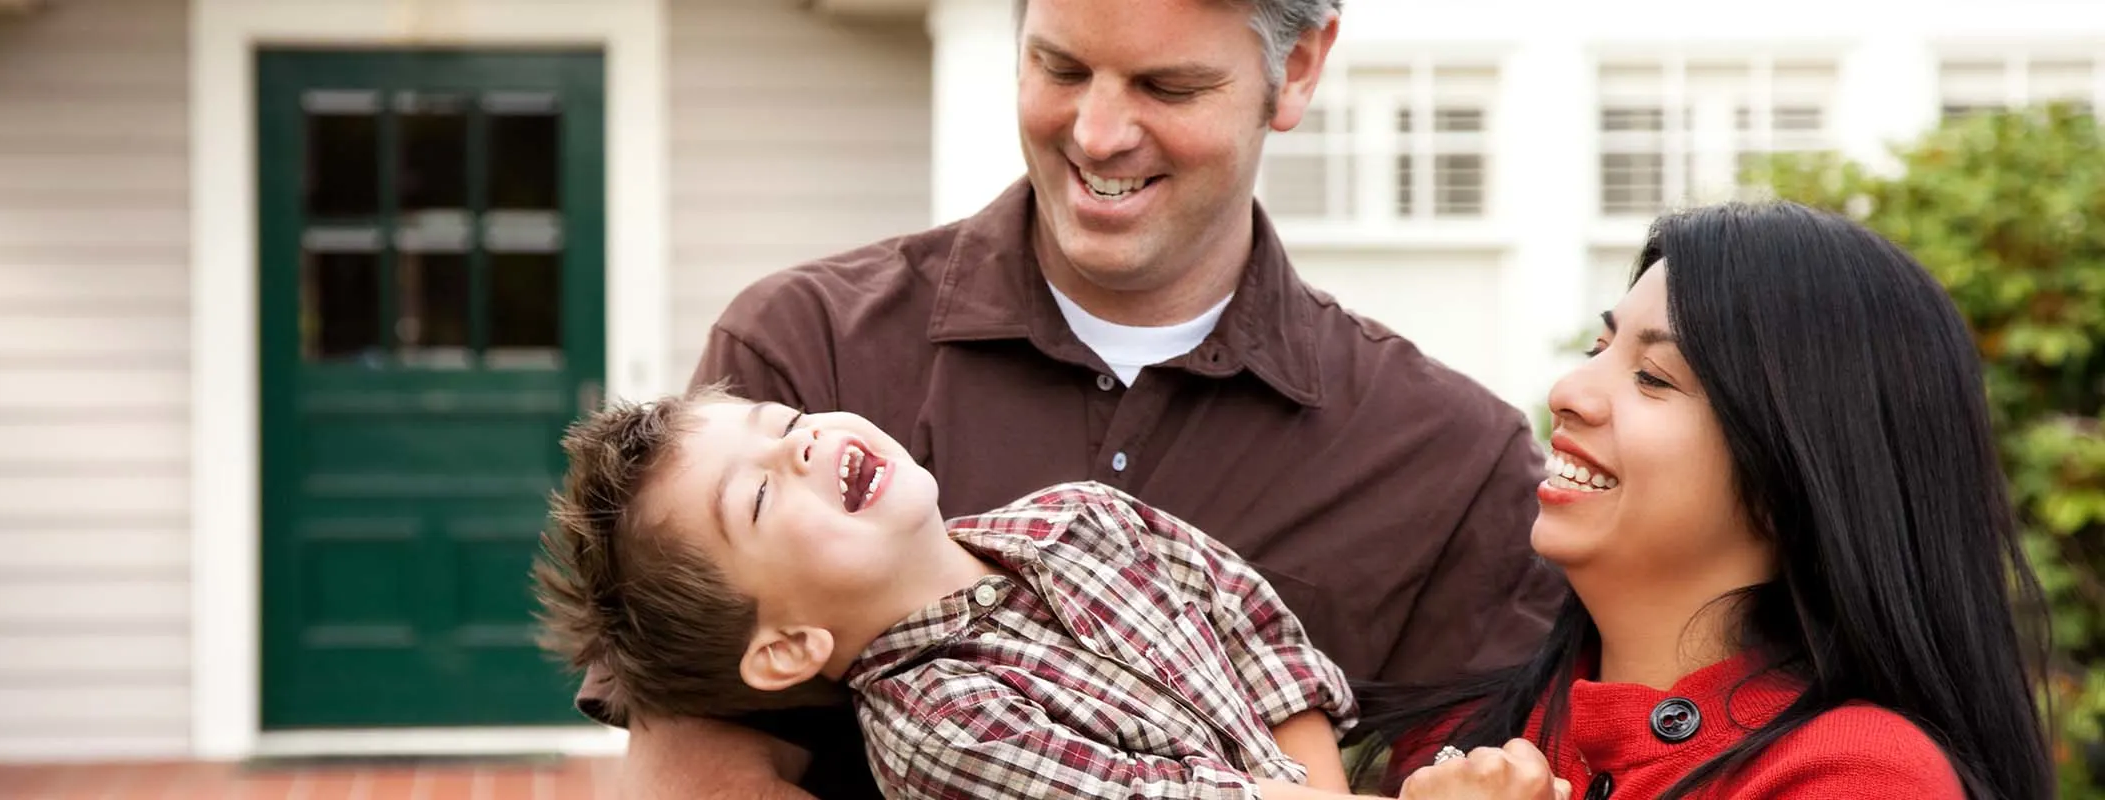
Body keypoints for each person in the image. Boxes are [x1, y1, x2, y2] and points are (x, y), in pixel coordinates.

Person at [579, 0, 1566, 796]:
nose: (1096, 132)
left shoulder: (1453, 460)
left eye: (1166, 84)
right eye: (1059, 68)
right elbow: (696, 776)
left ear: (1297, 67)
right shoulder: (803, 346)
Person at [1347, 201, 2057, 799]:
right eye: (1600, 349)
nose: (1568, 393)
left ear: (1794, 472)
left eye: (1653, 377)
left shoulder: (1856, 771)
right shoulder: (1461, 744)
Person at [533, 387, 1372, 798]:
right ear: (788, 646)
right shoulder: (941, 726)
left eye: (786, 425)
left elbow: (1256, 629)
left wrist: (1322, 788)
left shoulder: (1078, 514)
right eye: (755, 500)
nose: (801, 451)